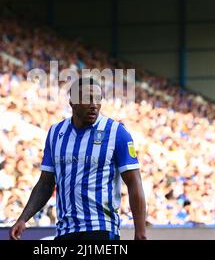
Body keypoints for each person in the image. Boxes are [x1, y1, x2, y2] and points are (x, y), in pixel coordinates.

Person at [9, 77, 147, 240]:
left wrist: (140, 232)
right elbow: (46, 183)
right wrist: (24, 218)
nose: (94, 105)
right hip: (65, 230)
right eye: (87, 98)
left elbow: (134, 182)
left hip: (101, 228)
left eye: (98, 99)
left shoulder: (117, 133)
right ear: (72, 102)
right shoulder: (55, 133)